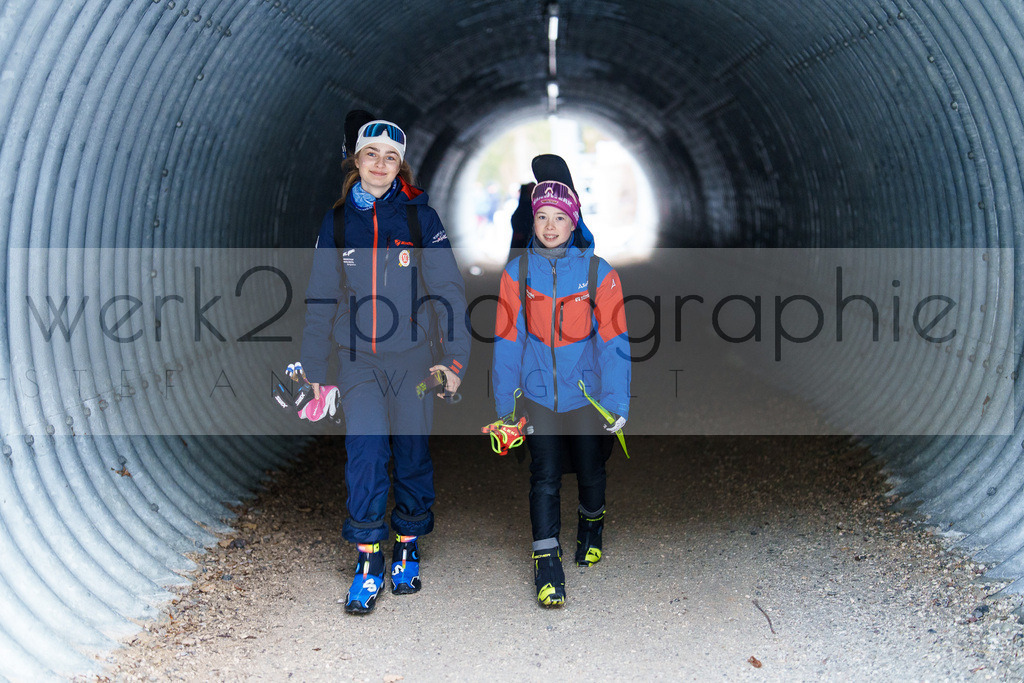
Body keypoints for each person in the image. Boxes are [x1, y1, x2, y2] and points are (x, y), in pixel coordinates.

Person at [300, 119, 469, 614]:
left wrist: (455, 358)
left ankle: (409, 545)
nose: (379, 164)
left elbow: (448, 291)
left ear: (401, 165)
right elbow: (320, 298)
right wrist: (315, 367)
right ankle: (369, 557)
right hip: (357, 361)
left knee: (411, 453)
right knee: (366, 452)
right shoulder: (336, 223)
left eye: (389, 156)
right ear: (355, 160)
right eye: (369, 154)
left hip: (414, 360)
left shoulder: (420, 218)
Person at [491, 173, 631, 607]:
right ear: (532, 222)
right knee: (544, 475)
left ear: (574, 224)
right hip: (537, 396)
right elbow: (506, 343)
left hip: (586, 395)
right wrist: (505, 407)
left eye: (559, 218)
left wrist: (616, 401)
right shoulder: (517, 273)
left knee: (591, 470)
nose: (550, 226)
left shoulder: (598, 272)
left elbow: (614, 342)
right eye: (542, 217)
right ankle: (546, 562)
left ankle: (592, 523)